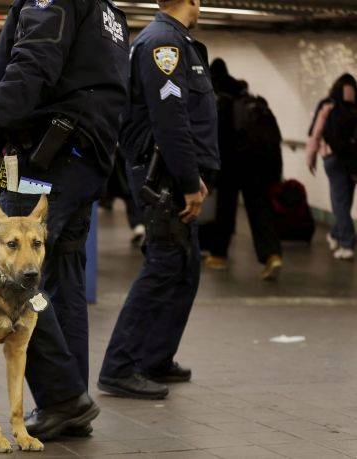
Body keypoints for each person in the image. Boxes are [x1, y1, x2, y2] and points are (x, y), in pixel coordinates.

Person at [0, 0, 130, 440]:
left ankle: (65, 399)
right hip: (85, 157)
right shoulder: (110, 13)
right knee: (62, 276)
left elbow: (35, 61)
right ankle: (70, 400)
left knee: (17, 275)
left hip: (49, 155)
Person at [98, 0, 219, 400]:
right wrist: (188, 182)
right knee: (165, 265)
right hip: (164, 177)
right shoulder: (161, 44)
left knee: (185, 269)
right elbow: (170, 120)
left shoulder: (177, 41)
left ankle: (154, 358)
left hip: (176, 174)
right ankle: (119, 366)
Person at [201, 58, 283, 280]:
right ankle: (272, 255)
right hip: (257, 166)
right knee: (260, 211)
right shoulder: (248, 98)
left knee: (225, 210)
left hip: (231, 166)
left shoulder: (220, 100)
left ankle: (218, 256)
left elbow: (215, 138)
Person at [306, 73, 357, 260]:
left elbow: (316, 131)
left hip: (333, 158)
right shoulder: (355, 106)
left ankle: (347, 244)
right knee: (345, 202)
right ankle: (336, 234)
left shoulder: (328, 103)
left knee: (339, 203)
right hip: (353, 160)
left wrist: (310, 157)